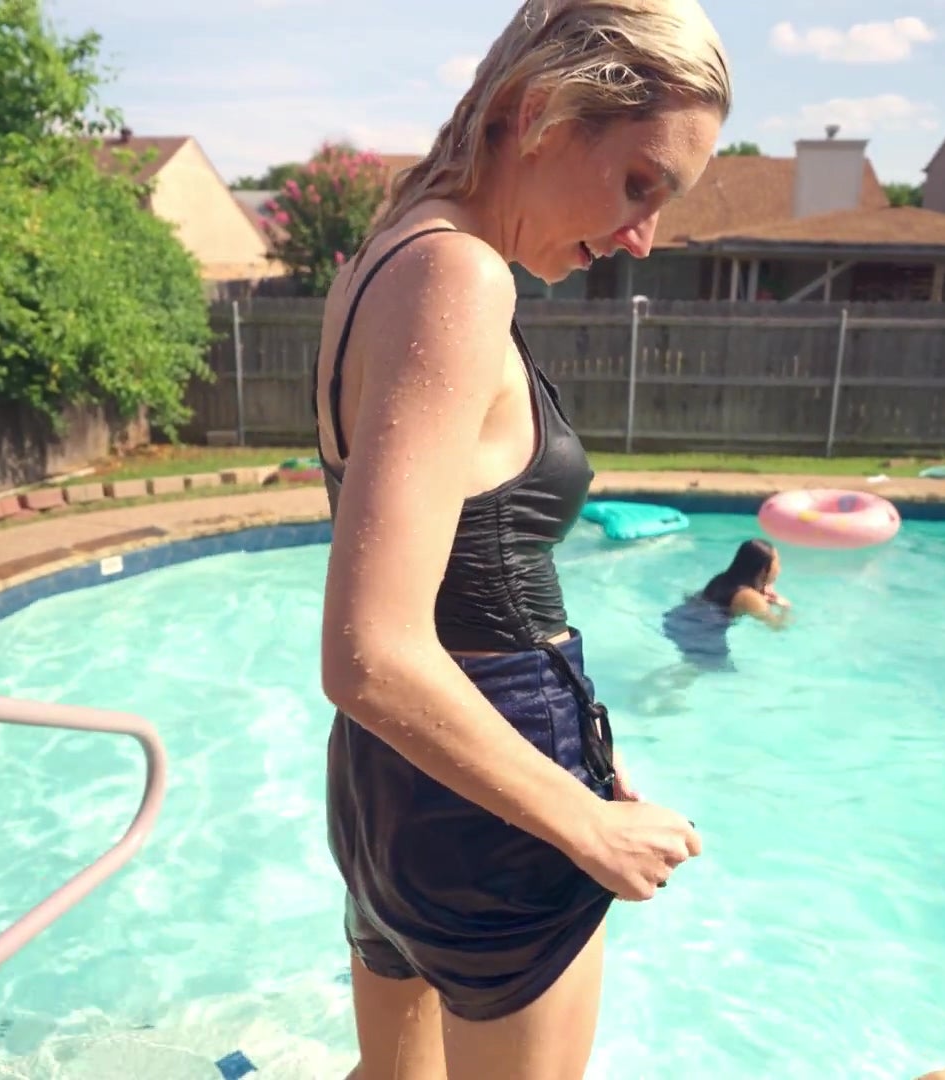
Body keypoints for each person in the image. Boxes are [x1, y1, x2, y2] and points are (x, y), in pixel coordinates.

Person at [310, 3, 730, 1077]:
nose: (643, 237)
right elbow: (369, 654)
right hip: (490, 806)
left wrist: (589, 756)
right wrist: (578, 821)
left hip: (393, 781)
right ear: (541, 111)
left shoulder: (381, 260)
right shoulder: (460, 276)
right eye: (640, 183)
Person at [660, 538, 790, 671]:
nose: (780, 568)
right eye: (777, 563)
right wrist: (785, 608)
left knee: (692, 667)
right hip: (701, 633)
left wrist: (764, 588)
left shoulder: (723, 578)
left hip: (679, 618)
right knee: (713, 671)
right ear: (763, 569)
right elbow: (777, 626)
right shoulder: (750, 598)